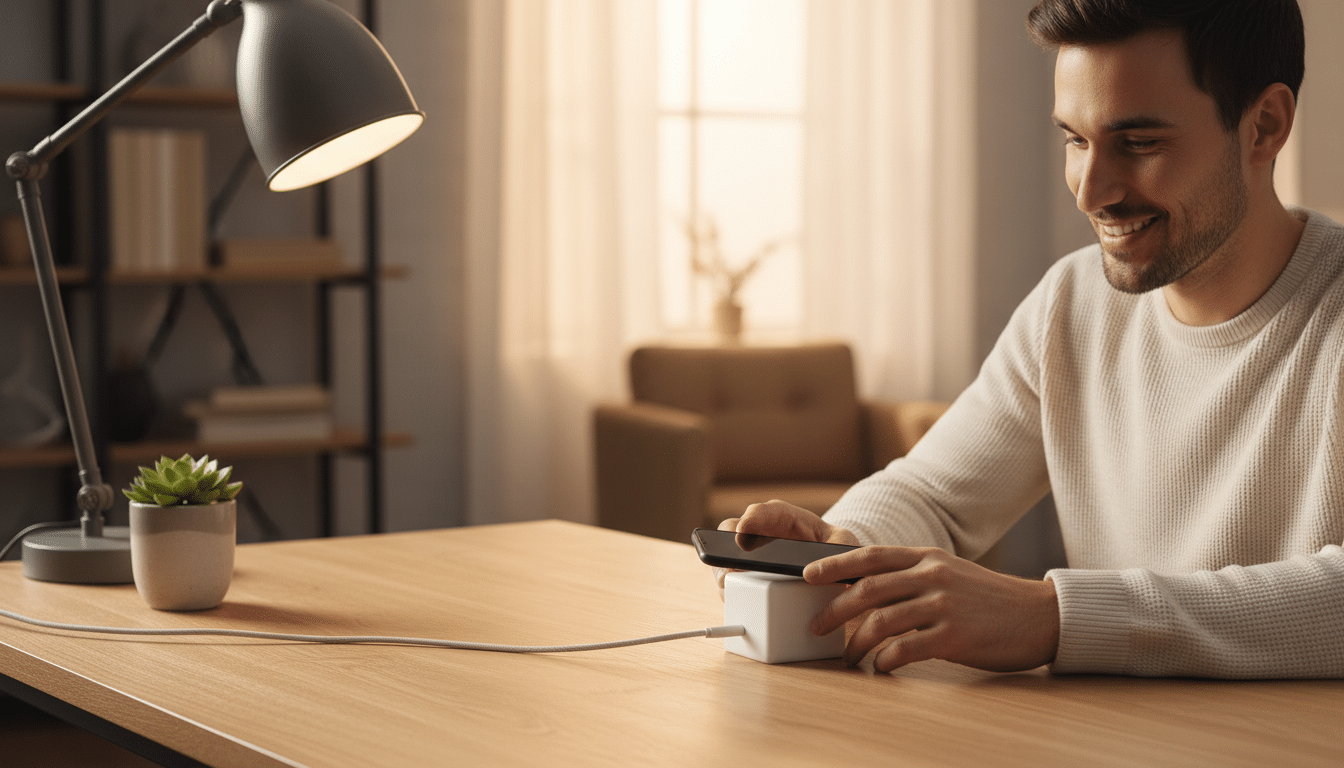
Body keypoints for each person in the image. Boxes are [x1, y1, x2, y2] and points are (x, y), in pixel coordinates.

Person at [718, 0, 1344, 679]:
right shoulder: (1072, 304)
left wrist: (1055, 617)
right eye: (1076, 140)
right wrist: (839, 548)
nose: (1090, 191)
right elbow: (934, 495)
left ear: (1265, 126)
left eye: (1138, 144)